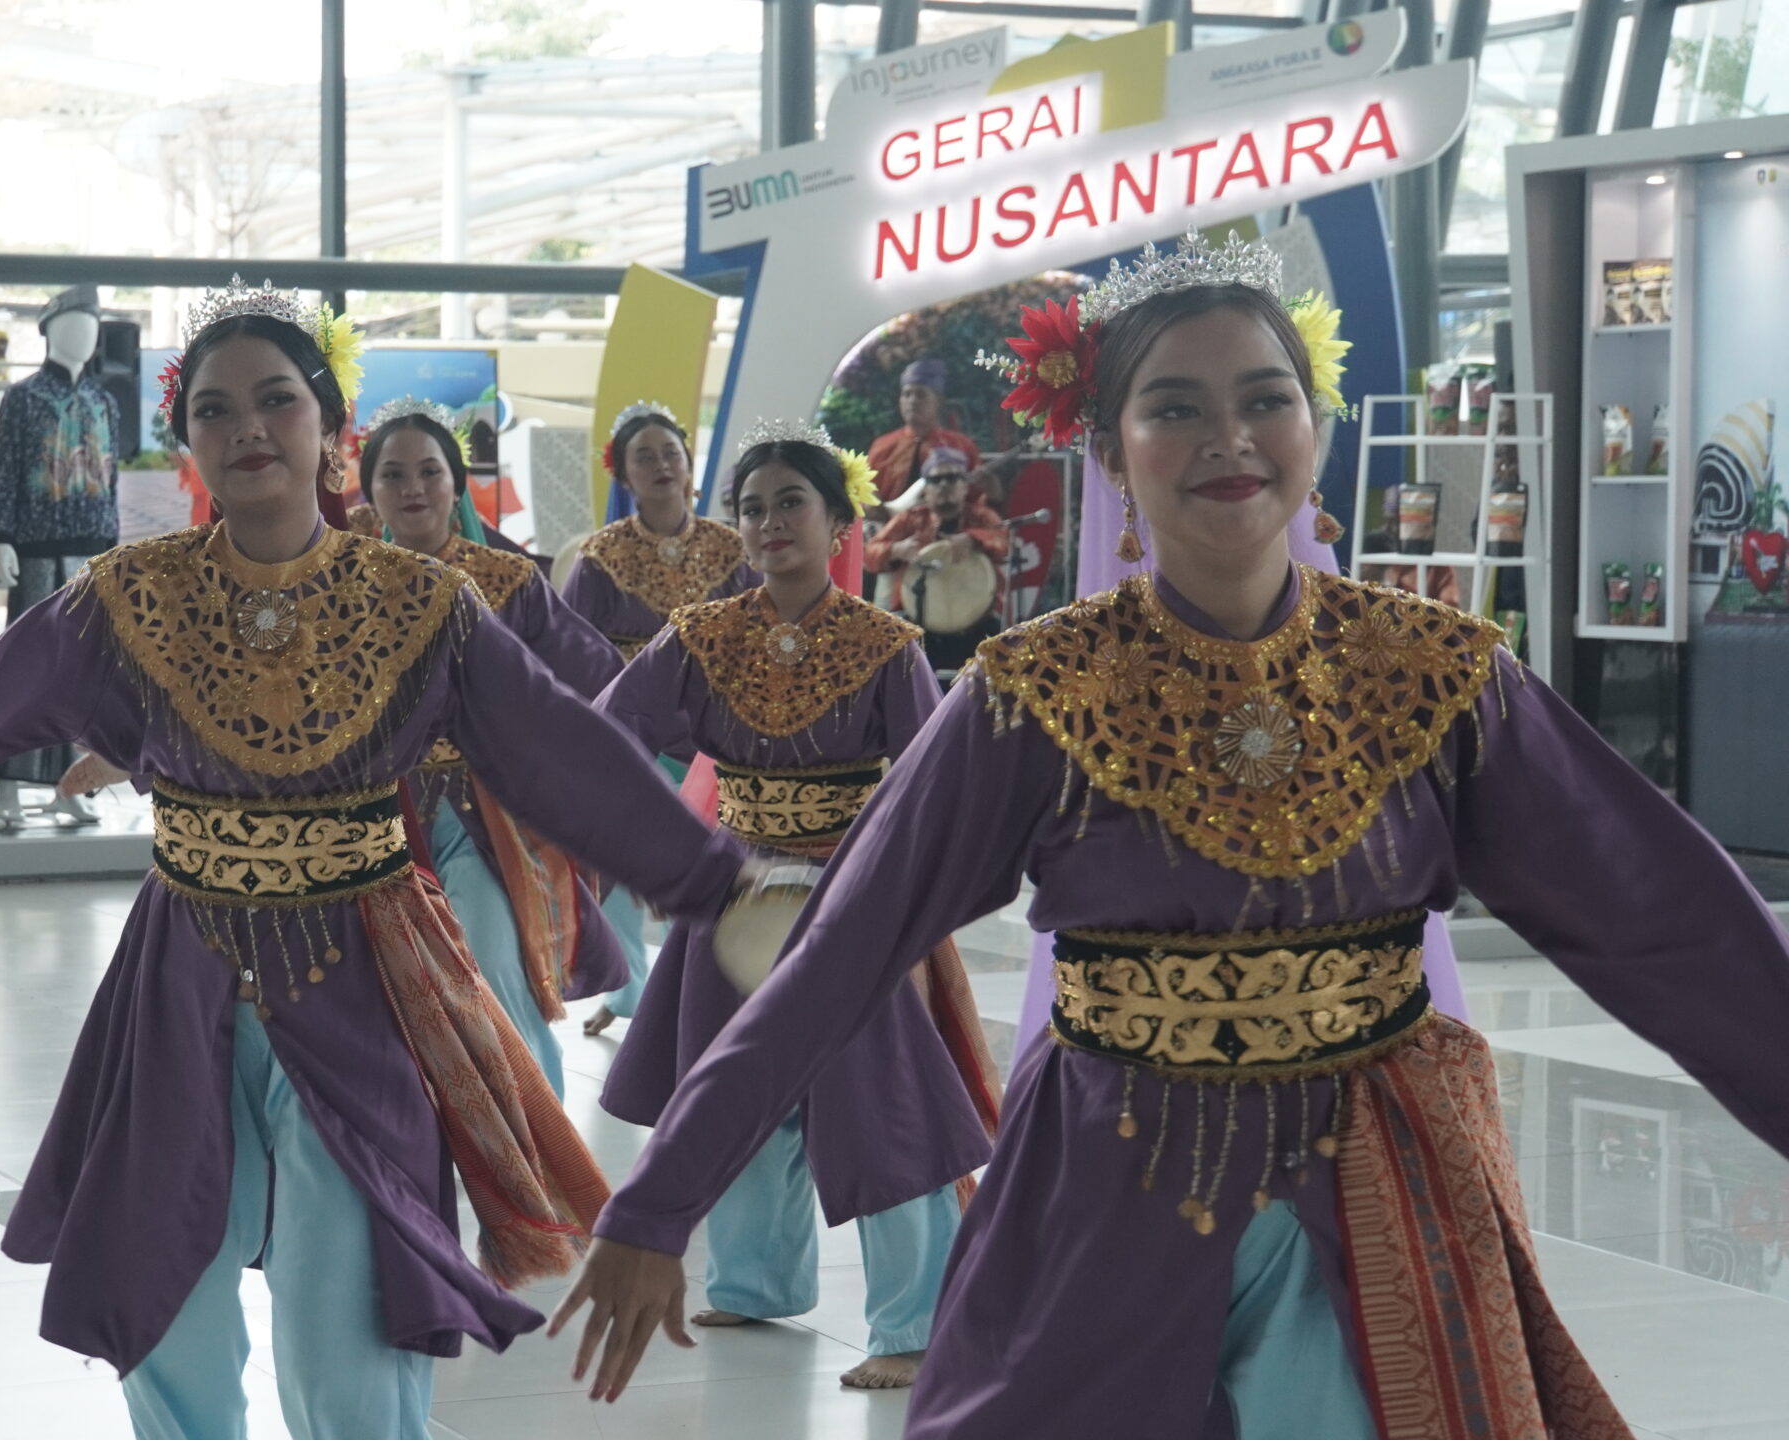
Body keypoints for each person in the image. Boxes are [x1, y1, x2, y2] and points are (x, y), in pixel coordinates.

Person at [549, 235, 1789, 1437]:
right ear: (1110, 450)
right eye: (1176, 408)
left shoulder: (1435, 674)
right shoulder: (1035, 694)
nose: (1228, 437)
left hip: (1377, 1188)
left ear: (1314, 427)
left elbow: (1662, 916)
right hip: (1110, 1185)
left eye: (1263, 399)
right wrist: (658, 1203)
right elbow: (843, 947)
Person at [0, 280, 752, 1440]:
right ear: (186, 441)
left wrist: (716, 886)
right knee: (164, 1305)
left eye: (277, 401)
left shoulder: (420, 605)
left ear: (330, 428)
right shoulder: (128, 600)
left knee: (349, 1320)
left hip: (368, 980)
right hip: (179, 976)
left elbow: (562, 752)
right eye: (215, 410)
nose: (248, 430)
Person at [592, 419, 998, 1392]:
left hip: (849, 902)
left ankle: (915, 1323)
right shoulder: (701, 635)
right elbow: (604, 733)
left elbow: (935, 785)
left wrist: (893, 902)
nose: (770, 522)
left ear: (839, 523)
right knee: (730, 1091)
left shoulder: (885, 646)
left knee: (878, 1108)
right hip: (734, 899)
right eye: (752, 508)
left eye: (791, 504)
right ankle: (755, 1282)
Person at [359, 396, 629, 1097]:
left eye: (429, 471)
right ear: (369, 491)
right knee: (386, 1001)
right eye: (393, 475)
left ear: (457, 483)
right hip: (371, 820)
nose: (413, 488)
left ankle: (537, 1149)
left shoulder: (508, 582)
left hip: (488, 820)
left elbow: (601, 677)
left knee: (497, 976)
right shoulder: (341, 586)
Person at [562, 401, 759, 1038]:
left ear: (689, 463)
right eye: (643, 456)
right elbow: (572, 649)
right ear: (624, 474)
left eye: (670, 452)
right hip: (631, 737)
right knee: (620, 873)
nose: (660, 465)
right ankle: (633, 994)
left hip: (711, 734)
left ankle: (700, 996)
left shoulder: (731, 550)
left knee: (709, 867)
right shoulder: (601, 557)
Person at [864, 444, 1010, 669]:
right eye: (935, 480)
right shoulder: (910, 520)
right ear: (925, 489)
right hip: (916, 622)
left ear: (964, 486)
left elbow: (1004, 542)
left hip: (977, 623)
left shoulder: (982, 517)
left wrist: (973, 538)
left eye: (952, 478)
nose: (944, 485)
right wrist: (896, 550)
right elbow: (868, 554)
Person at [863, 357, 985, 505]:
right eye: (907, 394)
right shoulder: (882, 446)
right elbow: (865, 495)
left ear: (938, 400)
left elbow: (978, 499)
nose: (912, 401)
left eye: (920, 394)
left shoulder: (962, 446)